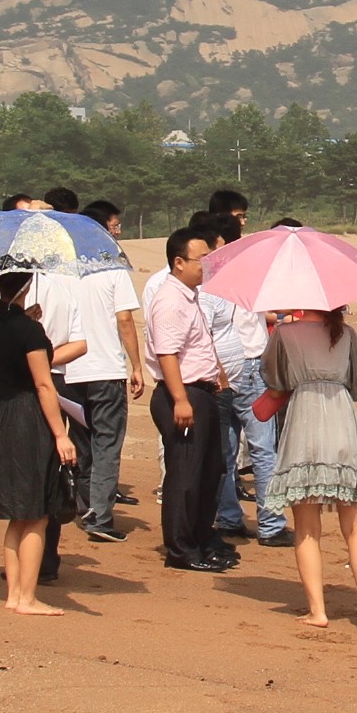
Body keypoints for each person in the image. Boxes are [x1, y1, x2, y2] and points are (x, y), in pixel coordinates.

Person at [266, 306, 357, 632]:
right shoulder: (346, 334)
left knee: (306, 526)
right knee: (356, 525)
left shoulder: (284, 334)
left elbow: (275, 384)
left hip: (305, 427)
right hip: (343, 428)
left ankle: (318, 611)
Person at [0, 259, 79, 614]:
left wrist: (27, 320)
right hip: (28, 416)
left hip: (3, 412)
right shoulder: (29, 331)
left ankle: (14, 595)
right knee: (35, 512)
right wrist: (60, 436)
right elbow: (43, 384)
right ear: (26, 285)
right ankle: (27, 597)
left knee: (16, 514)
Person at [43, 200, 144, 541]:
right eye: (114, 227)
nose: (117, 233)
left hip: (68, 371)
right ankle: (99, 516)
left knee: (82, 441)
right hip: (103, 368)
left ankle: (86, 504)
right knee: (106, 444)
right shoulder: (112, 268)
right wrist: (137, 365)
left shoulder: (59, 271)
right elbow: (125, 320)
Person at [144, 227, 232, 570]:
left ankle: (199, 538)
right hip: (183, 393)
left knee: (210, 471)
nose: (206, 266)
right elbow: (168, 354)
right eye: (202, 259)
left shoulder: (188, 296)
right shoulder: (169, 300)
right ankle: (181, 549)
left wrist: (218, 376)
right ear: (178, 262)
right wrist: (181, 400)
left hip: (201, 391)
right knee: (186, 475)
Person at [205, 252, 283, 548]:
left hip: (223, 367)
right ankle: (271, 523)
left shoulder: (208, 283)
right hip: (248, 364)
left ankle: (228, 516)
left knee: (226, 449)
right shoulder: (245, 277)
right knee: (263, 449)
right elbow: (273, 310)